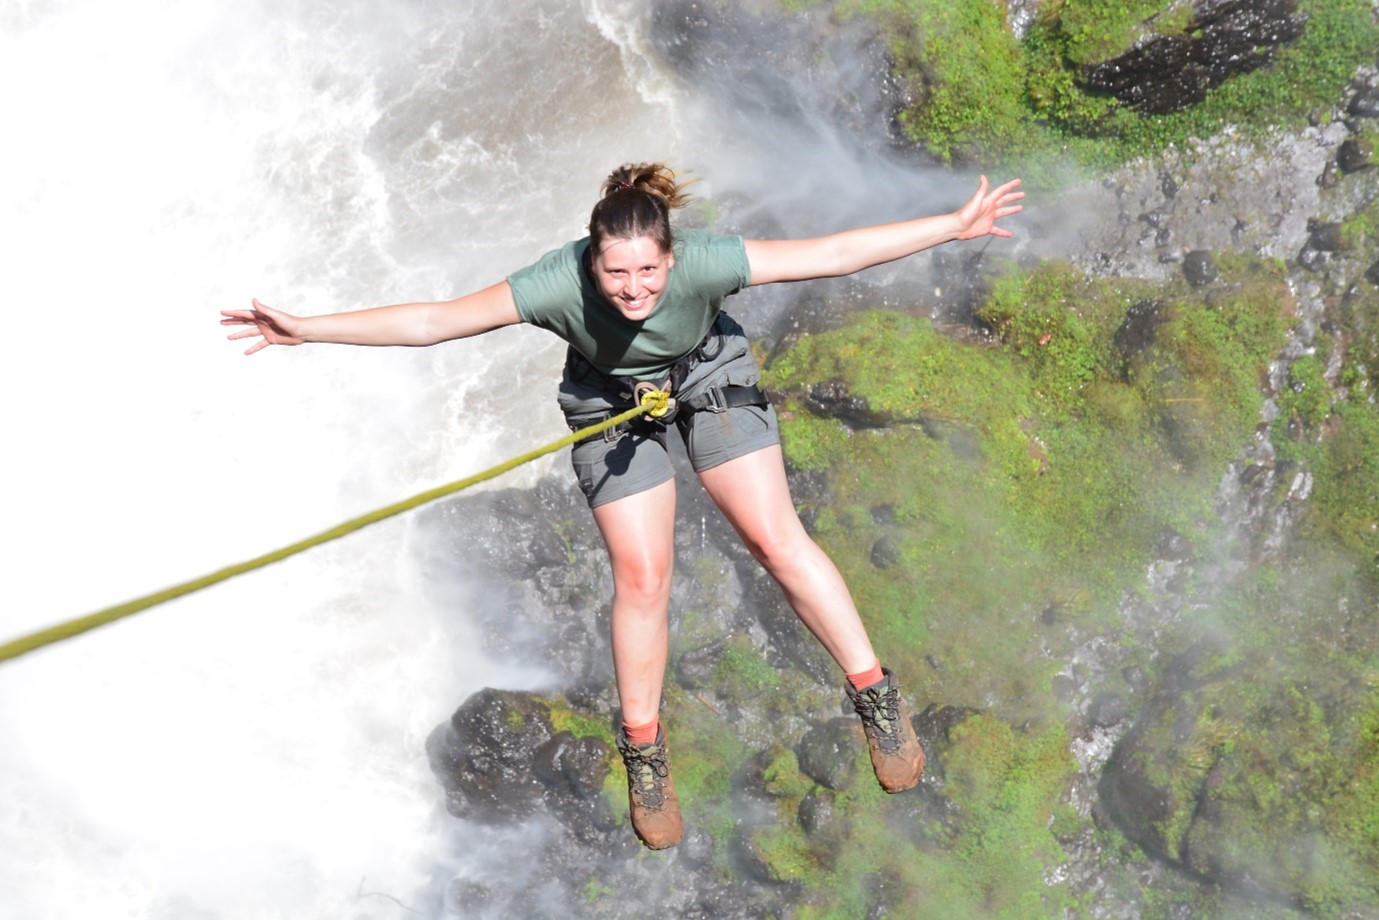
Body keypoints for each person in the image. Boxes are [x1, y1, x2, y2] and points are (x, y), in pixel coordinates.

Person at [222, 163, 1023, 850]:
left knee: (775, 540)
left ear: (671, 258)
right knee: (642, 576)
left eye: (648, 272)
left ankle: (875, 696)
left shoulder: (705, 264)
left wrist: (950, 227)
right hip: (607, 401)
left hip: (707, 376)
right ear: (591, 262)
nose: (633, 289)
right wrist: (308, 330)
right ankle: (645, 753)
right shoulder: (554, 284)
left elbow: (830, 254)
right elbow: (436, 321)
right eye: (615, 274)